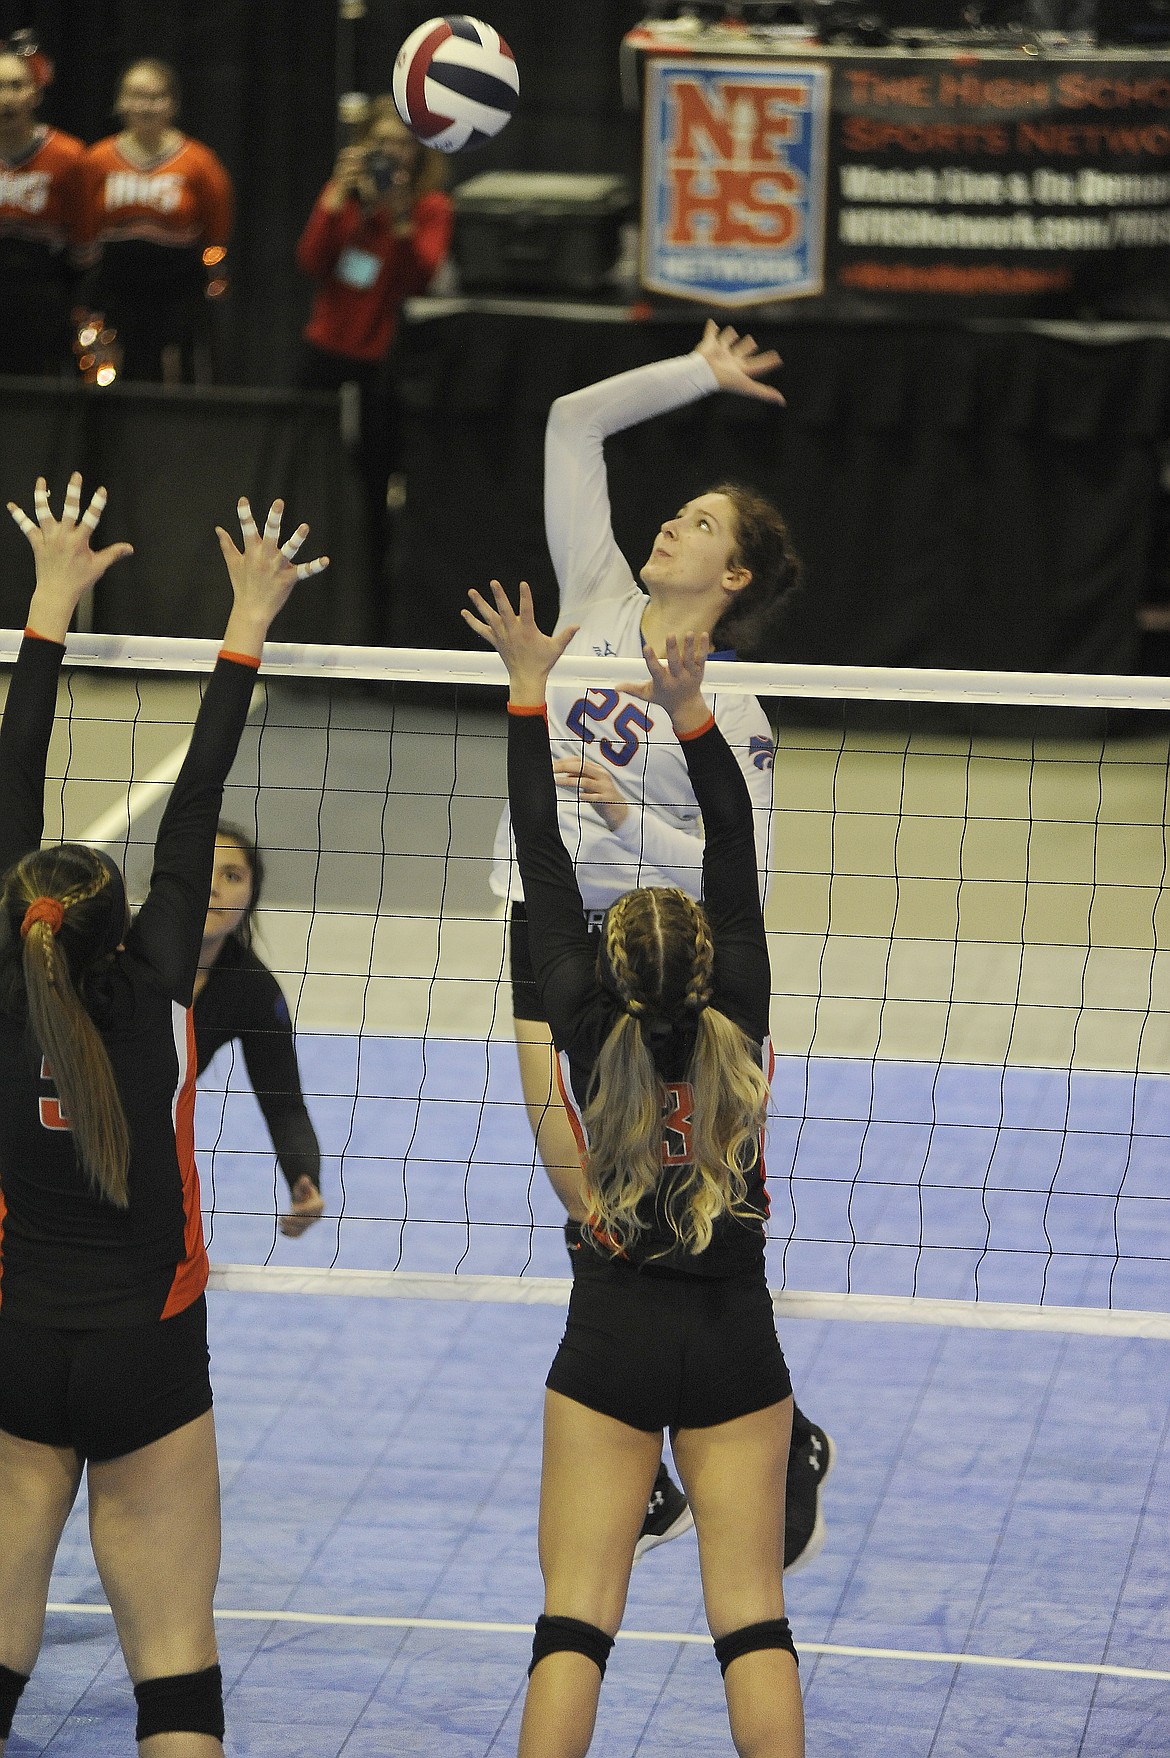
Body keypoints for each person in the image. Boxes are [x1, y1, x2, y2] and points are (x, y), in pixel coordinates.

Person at [491, 320, 834, 1566]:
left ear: (733, 576)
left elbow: (741, 878)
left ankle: (770, 1421)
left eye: (700, 524)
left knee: (696, 1194)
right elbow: (572, 422)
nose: (671, 528)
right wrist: (698, 374)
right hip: (544, 921)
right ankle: (639, 1425)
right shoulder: (592, 602)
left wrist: (632, 822)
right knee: (571, 1181)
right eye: (677, 512)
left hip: (665, 969)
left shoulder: (730, 705)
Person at [0, 474, 325, 1756]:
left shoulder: (8, 998)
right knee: (175, 1674)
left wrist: (47, 602)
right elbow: (202, 799)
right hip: (149, 1354)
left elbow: (11, 777)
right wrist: (247, 618)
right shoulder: (168, 1004)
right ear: (127, 917)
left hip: (19, 1346)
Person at [464, 580, 804, 1758]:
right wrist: (692, 711)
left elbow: (544, 863)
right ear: (714, 967)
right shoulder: (743, 1005)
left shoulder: (575, 1009)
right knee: (753, 1621)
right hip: (735, 1339)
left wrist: (526, 690)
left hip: (608, 1334)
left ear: (607, 967)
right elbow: (737, 845)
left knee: (575, 1625)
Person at [296, 96, 453, 615]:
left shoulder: (430, 205)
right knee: (310, 469)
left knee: (373, 480)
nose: (393, 155)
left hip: (383, 359)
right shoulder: (346, 193)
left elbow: (421, 277)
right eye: (382, 143)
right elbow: (312, 259)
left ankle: (369, 601)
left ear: (419, 152)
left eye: (403, 145)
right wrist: (338, 197)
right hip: (327, 348)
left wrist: (401, 215)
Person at [194, 823, 324, 1238]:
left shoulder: (252, 990)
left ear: (250, 897)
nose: (213, 888)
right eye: (200, 869)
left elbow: (284, 1104)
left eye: (231, 876)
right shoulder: (115, 950)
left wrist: (303, 1176)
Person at [78, 58, 233, 383]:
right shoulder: (97, 160)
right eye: (136, 95)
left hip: (178, 290)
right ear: (120, 101)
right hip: (116, 288)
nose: (146, 106)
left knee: (176, 377)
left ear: (173, 103)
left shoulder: (200, 162)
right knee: (114, 377)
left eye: (156, 96)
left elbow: (217, 227)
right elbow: (83, 224)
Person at [0, 36, 84, 376]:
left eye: (16, 86)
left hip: (42, 302)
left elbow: (83, 243)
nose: (5, 98)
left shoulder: (69, 157)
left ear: (35, 93)